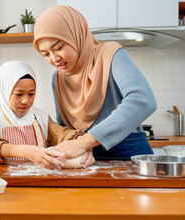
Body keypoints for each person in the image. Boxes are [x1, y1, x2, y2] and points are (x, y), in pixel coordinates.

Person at [33, 6, 157, 160]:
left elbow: (143, 101)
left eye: (58, 47)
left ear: (75, 35)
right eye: (45, 54)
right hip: (85, 159)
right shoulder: (57, 78)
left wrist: (85, 142)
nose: (54, 58)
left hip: (129, 154)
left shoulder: (111, 54)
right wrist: (77, 144)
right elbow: (64, 126)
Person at [0, 60, 95, 170]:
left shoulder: (40, 117)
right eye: (19, 94)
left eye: (31, 94)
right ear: (5, 91)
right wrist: (26, 151)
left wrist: (83, 144)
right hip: (6, 182)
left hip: (38, 179)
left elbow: (63, 134)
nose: (25, 100)